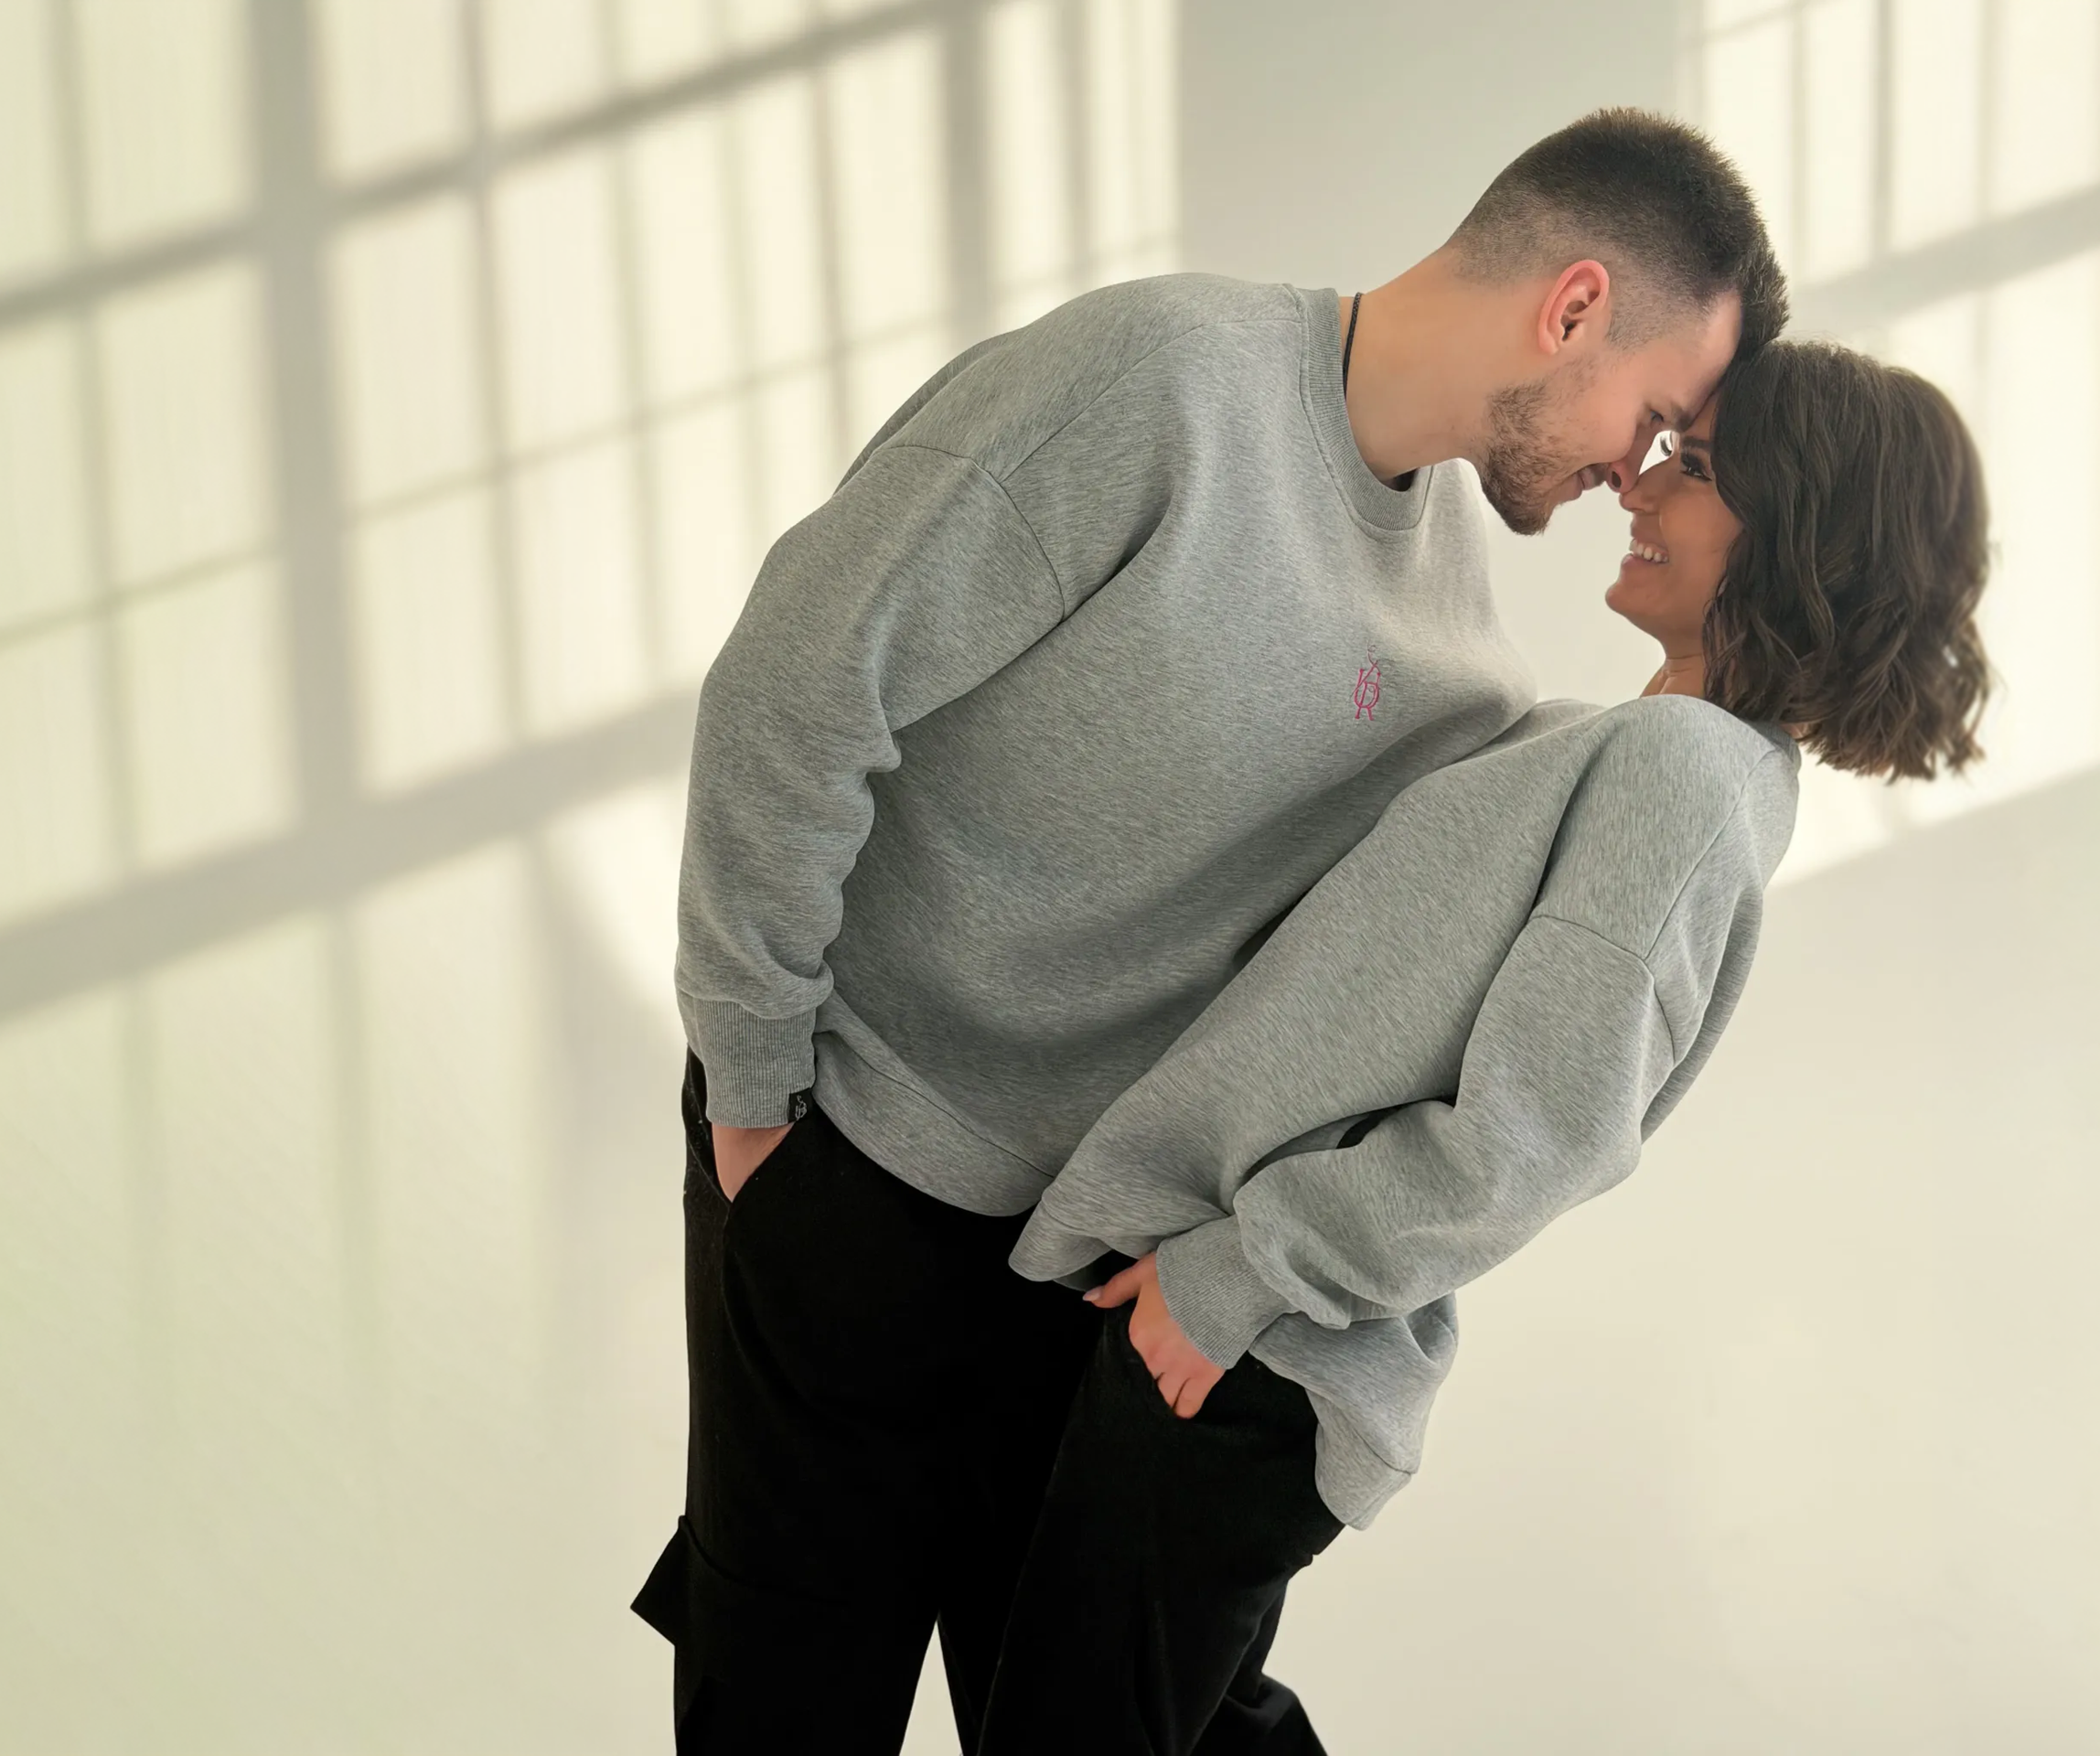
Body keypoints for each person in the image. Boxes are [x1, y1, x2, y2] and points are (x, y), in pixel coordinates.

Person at [638, 110, 1787, 1752]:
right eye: (1656, 416)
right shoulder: (1159, 383)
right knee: (782, 1707)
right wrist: (755, 1095)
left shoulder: (1461, 600)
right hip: (853, 1167)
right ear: (1575, 304)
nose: (1635, 472)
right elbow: (797, 684)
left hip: (1082, 1268)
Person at [994, 337, 1995, 1747]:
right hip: (1236, 1326)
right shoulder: (1625, 749)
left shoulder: (1684, 779)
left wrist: (1235, 1277)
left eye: (1695, 471)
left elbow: (1536, 1137)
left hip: (1256, 1344)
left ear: (1796, 540)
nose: (1642, 486)